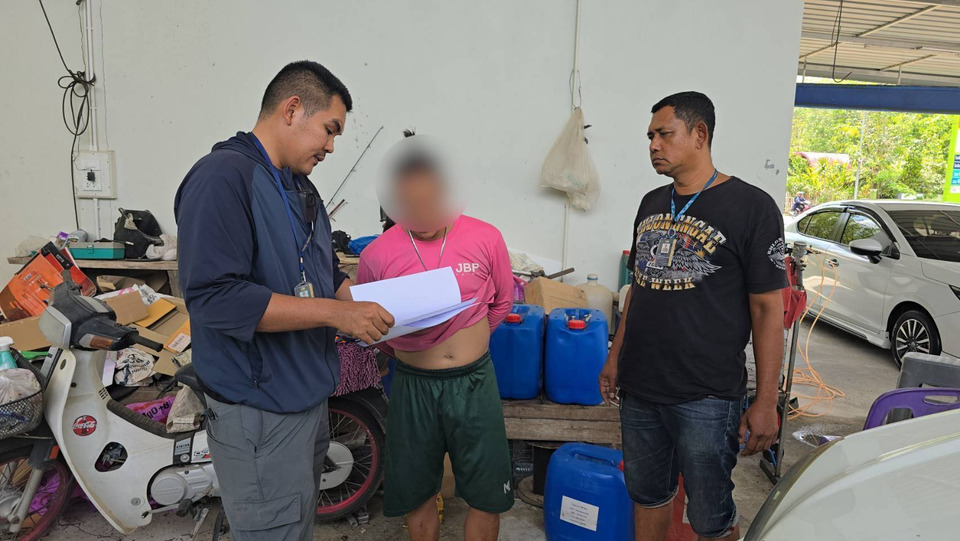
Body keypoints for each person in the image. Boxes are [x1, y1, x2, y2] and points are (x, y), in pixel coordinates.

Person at [175, 60, 394, 541]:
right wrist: (338, 314)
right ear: (292, 109)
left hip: (305, 399)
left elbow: (323, 272)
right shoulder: (222, 178)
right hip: (259, 408)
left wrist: (382, 314)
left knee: (294, 526)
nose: (331, 146)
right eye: (329, 130)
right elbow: (216, 298)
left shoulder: (299, 185)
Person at [599, 91, 785, 541]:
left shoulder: (752, 207)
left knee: (710, 515)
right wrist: (615, 355)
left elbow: (767, 309)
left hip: (707, 395)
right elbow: (638, 288)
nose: (653, 145)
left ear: (699, 134)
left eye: (664, 134)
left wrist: (765, 401)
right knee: (647, 496)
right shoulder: (651, 203)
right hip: (641, 387)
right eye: (650, 136)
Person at [356, 130, 515, 541]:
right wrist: (414, 349)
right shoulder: (375, 256)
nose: (423, 214)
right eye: (411, 204)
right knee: (417, 492)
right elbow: (373, 327)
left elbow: (502, 301)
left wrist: (468, 341)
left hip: (474, 383)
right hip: (413, 386)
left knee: (486, 494)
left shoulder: (486, 238)